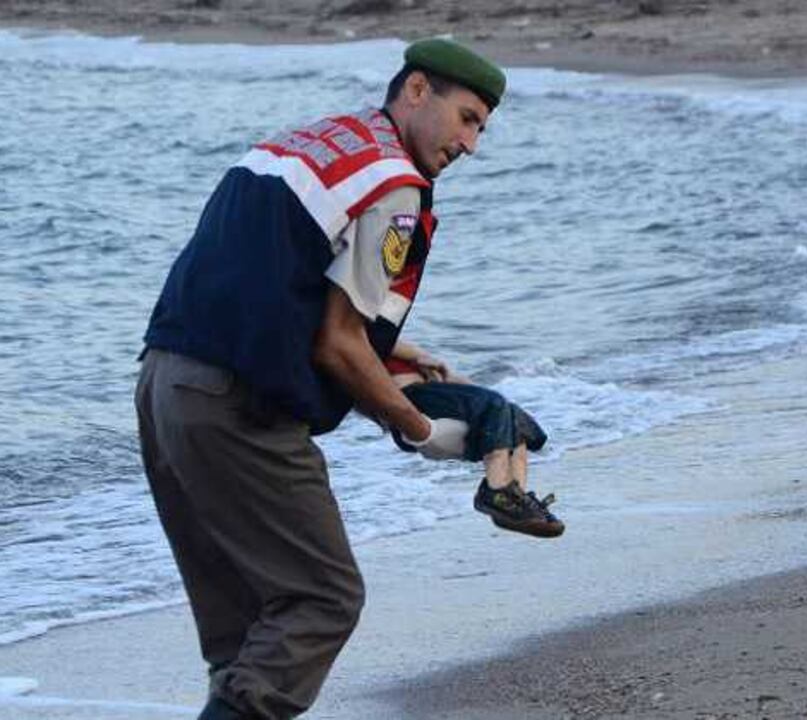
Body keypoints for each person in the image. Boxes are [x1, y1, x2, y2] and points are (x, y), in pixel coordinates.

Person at [134, 39, 546, 720]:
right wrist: (420, 430)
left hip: (163, 388)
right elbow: (336, 345)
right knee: (323, 598)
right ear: (417, 90)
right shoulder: (396, 186)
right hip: (237, 410)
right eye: (467, 117)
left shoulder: (320, 139)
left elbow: (280, 281)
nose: (471, 144)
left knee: (244, 635)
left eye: (481, 127)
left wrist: (395, 351)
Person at [382, 338, 563, 538]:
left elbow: (461, 386)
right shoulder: (370, 335)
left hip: (433, 394)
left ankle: (514, 501)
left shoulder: (393, 341)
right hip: (409, 397)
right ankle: (496, 493)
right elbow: (378, 338)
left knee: (512, 416)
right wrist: (420, 356)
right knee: (494, 403)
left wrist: (490, 405)